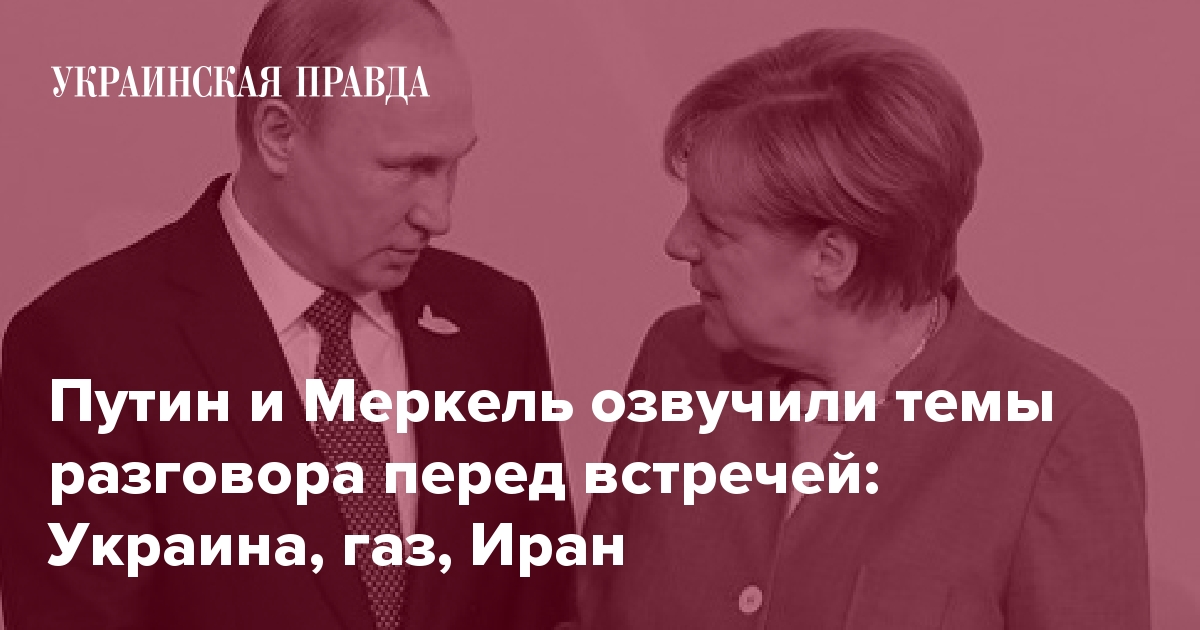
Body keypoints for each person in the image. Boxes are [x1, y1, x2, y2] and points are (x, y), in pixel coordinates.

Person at [0, 1, 575, 628]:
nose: (439, 215)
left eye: (452, 166)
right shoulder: (88, 348)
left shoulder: (495, 323)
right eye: (405, 168)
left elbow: (539, 605)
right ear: (280, 135)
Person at [580, 28, 1150, 629]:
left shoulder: (1058, 433)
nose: (677, 243)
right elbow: (592, 611)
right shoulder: (677, 358)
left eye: (715, 227)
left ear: (831, 258)